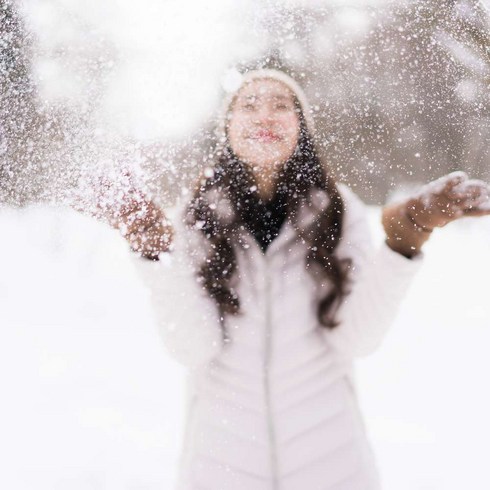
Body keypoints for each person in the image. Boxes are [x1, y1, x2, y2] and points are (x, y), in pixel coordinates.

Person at [104, 69, 490, 490]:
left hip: (334, 468)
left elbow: (357, 340)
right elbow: (192, 348)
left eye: (281, 105)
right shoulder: (195, 219)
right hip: (221, 469)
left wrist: (406, 238)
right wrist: (155, 251)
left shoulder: (340, 210)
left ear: (301, 128)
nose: (264, 115)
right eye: (248, 105)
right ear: (227, 128)